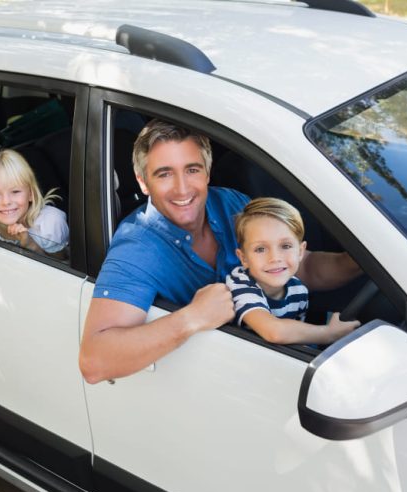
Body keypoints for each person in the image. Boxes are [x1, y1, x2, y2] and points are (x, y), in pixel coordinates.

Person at [79, 120, 362, 384]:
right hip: (213, 383)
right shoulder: (137, 248)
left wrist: (360, 262)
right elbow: (94, 362)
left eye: (192, 170)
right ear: (142, 181)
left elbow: (303, 267)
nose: (182, 189)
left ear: (207, 171)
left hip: (281, 367)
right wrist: (191, 318)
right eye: (164, 174)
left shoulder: (230, 204)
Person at [226, 197, 359, 344]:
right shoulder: (240, 286)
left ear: (300, 251)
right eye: (260, 249)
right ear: (243, 258)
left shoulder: (298, 289)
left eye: (285, 246)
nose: (275, 258)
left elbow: (298, 338)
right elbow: (275, 332)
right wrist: (329, 333)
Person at [0, 149, 69, 256]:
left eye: (15, 192)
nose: (6, 202)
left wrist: (30, 244)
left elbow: (61, 260)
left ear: (31, 194)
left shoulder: (50, 224)